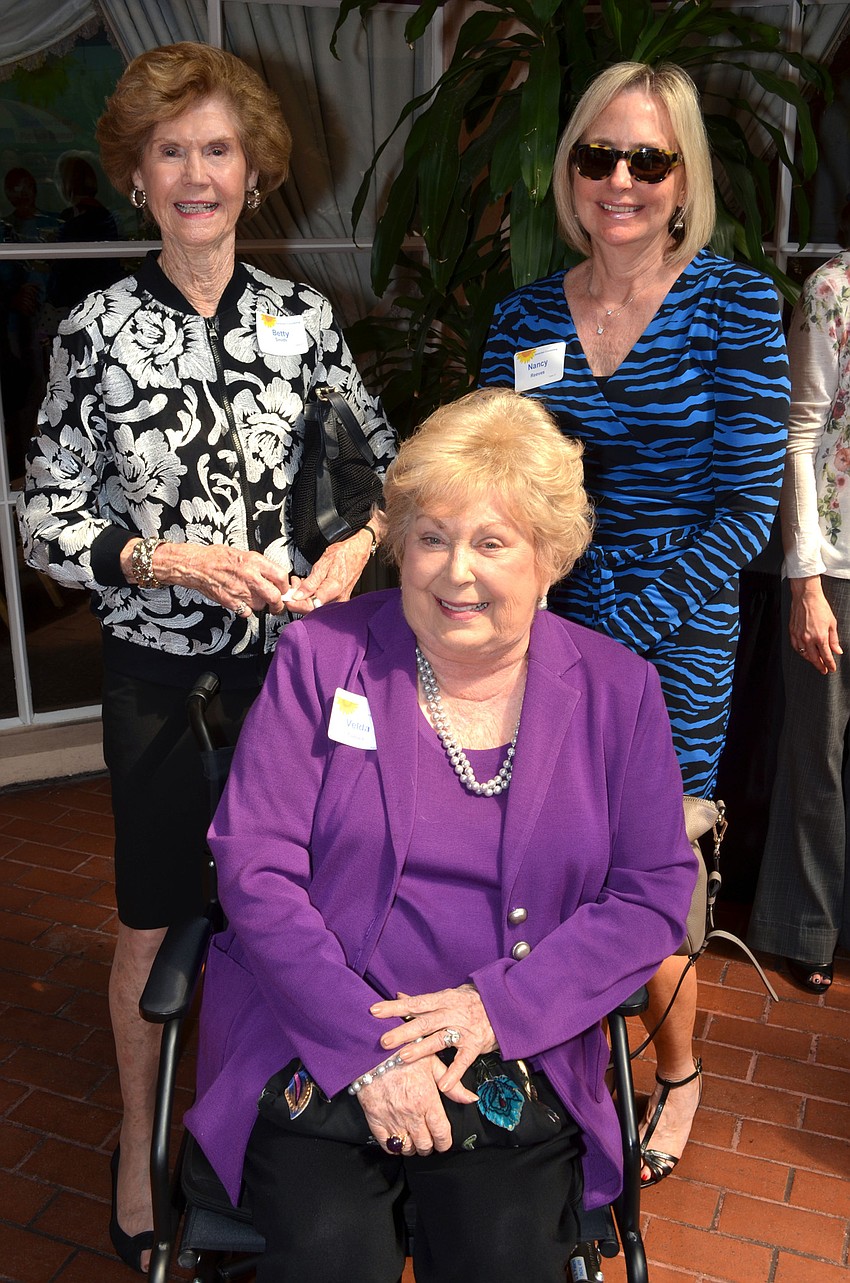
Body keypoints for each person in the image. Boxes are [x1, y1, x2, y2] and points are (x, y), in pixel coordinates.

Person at [17, 42, 395, 1275]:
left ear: (253, 170)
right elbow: (47, 513)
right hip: (160, 681)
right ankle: (140, 1139)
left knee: (302, 902)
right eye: (171, 150)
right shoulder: (97, 328)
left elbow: (372, 476)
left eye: (217, 149)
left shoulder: (302, 321)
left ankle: (283, 1123)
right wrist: (162, 558)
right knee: (157, 911)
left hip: (298, 676)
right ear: (135, 174)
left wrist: (354, 552)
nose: (196, 172)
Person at [184, 388, 697, 1283]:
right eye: (431, 536)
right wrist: (369, 1047)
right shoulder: (323, 658)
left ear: (550, 559)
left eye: (492, 542)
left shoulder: (619, 691)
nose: (455, 571)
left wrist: (494, 1007)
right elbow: (254, 863)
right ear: (399, 544)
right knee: (326, 1259)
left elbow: (653, 892)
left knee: (506, 1258)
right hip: (318, 1031)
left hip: (512, 1041)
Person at [479, 61, 789, 1185]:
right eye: (596, 155)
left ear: (683, 176)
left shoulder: (735, 303)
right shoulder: (521, 316)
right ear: (568, 170)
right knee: (536, 851)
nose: (619, 179)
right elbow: (497, 482)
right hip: (545, 621)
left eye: (647, 159)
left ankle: (682, 1068)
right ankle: (562, 1057)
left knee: (647, 868)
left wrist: (632, 623)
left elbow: (747, 506)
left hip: (682, 627)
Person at [748, 254, 850, 993]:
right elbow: (801, 432)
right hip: (837, 566)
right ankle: (805, 925)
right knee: (819, 756)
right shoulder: (832, 289)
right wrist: (805, 579)